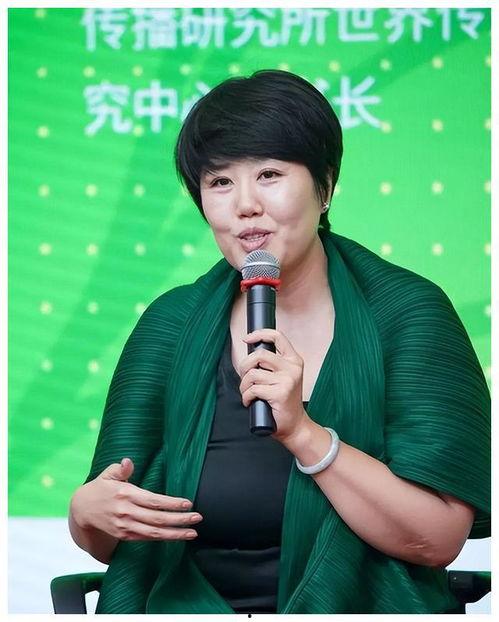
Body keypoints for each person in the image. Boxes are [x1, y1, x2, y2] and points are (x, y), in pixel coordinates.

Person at [68, 69, 490, 614]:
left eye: (269, 174)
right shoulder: (171, 325)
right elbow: (112, 534)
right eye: (220, 182)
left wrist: (304, 435)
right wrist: (86, 515)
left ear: (325, 186)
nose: (244, 204)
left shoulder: (407, 313)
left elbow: (438, 538)